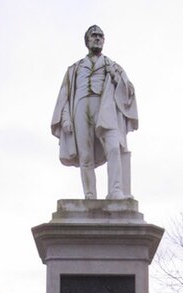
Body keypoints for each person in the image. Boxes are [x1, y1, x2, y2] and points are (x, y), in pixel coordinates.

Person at [51, 25, 138, 200]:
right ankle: (90, 196)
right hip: (80, 109)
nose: (97, 38)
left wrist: (115, 77)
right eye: (94, 35)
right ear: (87, 40)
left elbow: (129, 91)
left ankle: (115, 191)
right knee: (85, 155)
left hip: (105, 108)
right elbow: (64, 98)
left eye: (100, 36)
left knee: (113, 147)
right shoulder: (74, 69)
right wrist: (66, 118)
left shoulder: (112, 65)